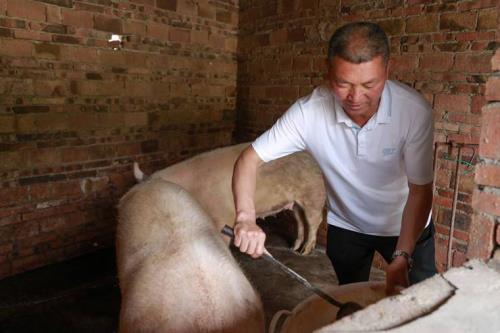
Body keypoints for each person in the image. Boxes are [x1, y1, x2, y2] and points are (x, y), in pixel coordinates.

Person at [231, 21, 437, 295]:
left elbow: (420, 191)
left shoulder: (413, 111)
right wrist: (246, 218)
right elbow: (249, 159)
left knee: (424, 300)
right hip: (347, 225)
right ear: (327, 70)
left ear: (387, 70)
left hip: (405, 223)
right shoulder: (308, 113)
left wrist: (402, 256)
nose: (356, 97)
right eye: (343, 83)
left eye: (369, 84)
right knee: (350, 298)